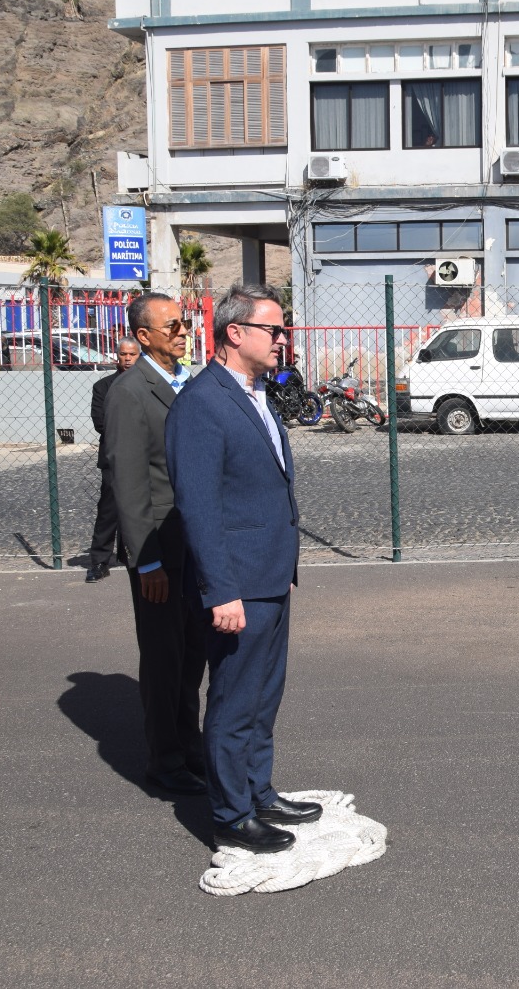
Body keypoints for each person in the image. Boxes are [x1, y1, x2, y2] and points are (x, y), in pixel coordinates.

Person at [166, 284, 316, 853]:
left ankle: (259, 790)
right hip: (237, 585)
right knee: (233, 698)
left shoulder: (256, 393)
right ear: (236, 333)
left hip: (271, 573)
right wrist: (219, 590)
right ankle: (230, 814)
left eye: (283, 330)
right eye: (274, 330)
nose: (283, 339)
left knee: (263, 692)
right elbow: (198, 505)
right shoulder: (202, 403)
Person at [103, 297, 206, 793]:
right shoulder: (129, 392)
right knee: (165, 655)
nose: (183, 332)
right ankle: (164, 761)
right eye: (173, 326)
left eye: (185, 323)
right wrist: (147, 563)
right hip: (159, 546)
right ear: (144, 336)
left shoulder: (188, 381)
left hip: (195, 540)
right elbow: (128, 483)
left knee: (194, 652)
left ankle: (190, 746)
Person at [85, 336, 140, 583]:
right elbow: (101, 423)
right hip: (114, 456)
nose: (127, 359)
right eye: (123, 355)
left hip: (144, 455)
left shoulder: (147, 383)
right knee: (109, 510)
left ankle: (134, 554)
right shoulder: (103, 387)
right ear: (117, 356)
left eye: (132, 354)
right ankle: (99, 560)